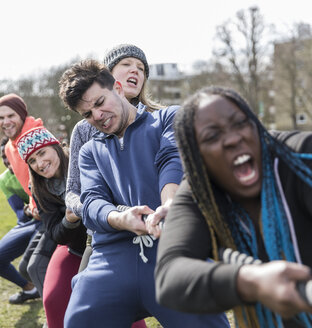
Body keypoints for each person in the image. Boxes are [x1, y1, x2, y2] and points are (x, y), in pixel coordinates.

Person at [155, 86, 312, 327]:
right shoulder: (199, 191)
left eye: (240, 123)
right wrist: (250, 282)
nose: (234, 138)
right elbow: (170, 277)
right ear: (198, 159)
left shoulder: (306, 154)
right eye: (212, 136)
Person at [58, 60, 230, 327]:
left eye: (100, 102)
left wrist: (169, 204)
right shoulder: (90, 151)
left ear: (118, 87)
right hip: (112, 260)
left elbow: (172, 159)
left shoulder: (168, 118)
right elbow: (91, 202)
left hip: (172, 250)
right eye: (88, 113)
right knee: (77, 321)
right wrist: (120, 218)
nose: (98, 115)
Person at [66, 44, 161, 272]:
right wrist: (101, 211)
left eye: (141, 68)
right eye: (126, 64)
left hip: (154, 234)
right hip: (103, 239)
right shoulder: (84, 130)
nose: (135, 71)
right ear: (108, 78)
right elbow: (72, 192)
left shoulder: (159, 121)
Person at [16, 126, 87, 328]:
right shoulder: (40, 188)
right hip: (74, 248)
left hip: (107, 244)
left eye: (41, 153)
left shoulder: (83, 161)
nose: (40, 163)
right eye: (32, 161)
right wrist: (69, 220)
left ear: (54, 146)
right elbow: (56, 234)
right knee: (53, 298)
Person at [0, 93, 56, 302]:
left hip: (59, 211)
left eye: (11, 115)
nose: (6, 121)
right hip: (41, 214)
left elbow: (54, 171)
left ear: (21, 114)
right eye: (0, 118)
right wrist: (32, 205)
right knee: (30, 267)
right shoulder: (11, 146)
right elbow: (31, 186)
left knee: (36, 267)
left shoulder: (33, 134)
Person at [0, 136, 40, 304]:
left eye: (9, 155)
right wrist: (30, 208)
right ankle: (30, 289)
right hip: (29, 223)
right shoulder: (4, 179)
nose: (6, 160)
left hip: (47, 221)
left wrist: (32, 208)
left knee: (34, 263)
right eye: (3, 156)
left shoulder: (35, 169)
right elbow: (20, 213)